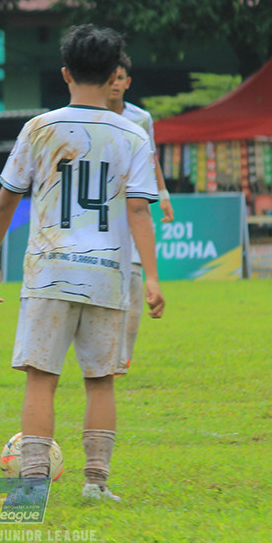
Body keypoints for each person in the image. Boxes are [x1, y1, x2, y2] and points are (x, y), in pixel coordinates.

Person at [0, 24, 165, 502]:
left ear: (65, 73)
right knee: (100, 382)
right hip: (106, 275)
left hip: (48, 270)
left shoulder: (38, 128)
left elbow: (5, 202)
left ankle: (32, 487)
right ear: (113, 77)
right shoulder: (132, 133)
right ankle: (96, 485)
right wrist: (153, 279)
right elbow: (140, 209)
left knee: (42, 380)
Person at [106, 52, 175, 374]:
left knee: (135, 290)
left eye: (120, 78)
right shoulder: (91, 116)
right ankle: (100, 353)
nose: (115, 84)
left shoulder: (140, 119)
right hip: (101, 214)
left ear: (127, 82)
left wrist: (162, 195)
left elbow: (151, 158)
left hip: (133, 209)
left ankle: (122, 359)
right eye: (109, 78)